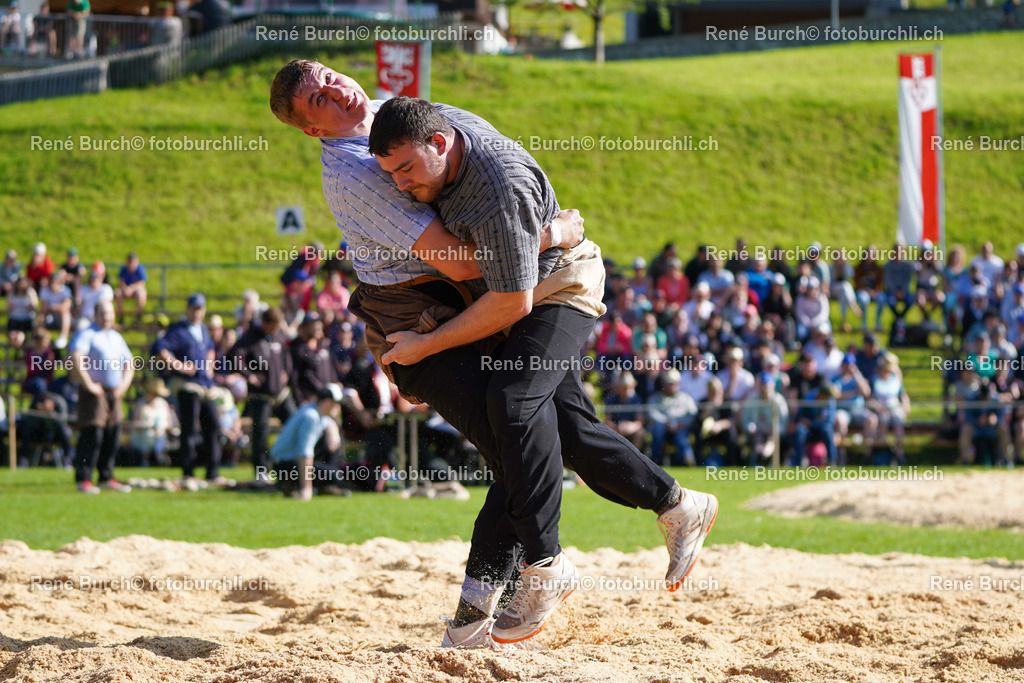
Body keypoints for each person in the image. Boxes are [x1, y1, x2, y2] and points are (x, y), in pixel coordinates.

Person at [271, 63, 716, 648]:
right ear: (312, 129)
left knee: (519, 430)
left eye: (329, 78)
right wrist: (552, 231)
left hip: (509, 293)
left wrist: (549, 237)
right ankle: (649, 517)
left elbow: (484, 270)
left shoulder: (413, 128)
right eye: (317, 100)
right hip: (426, 309)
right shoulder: (362, 164)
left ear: (438, 143)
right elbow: (466, 263)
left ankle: (507, 591)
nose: (335, 91)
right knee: (534, 434)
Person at [152, 293, 224, 487]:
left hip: (204, 384)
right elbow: (159, 347)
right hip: (187, 385)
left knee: (213, 426)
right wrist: (177, 365)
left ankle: (212, 472)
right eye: (194, 309)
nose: (197, 313)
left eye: (200, 309)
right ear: (188, 309)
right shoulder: (179, 329)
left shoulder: (203, 329)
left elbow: (210, 348)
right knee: (189, 429)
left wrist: (209, 365)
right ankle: (188, 472)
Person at [70, 301, 134, 494]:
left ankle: (106, 476)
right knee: (92, 435)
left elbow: (129, 363)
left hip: (113, 393)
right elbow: (76, 357)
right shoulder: (86, 334)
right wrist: (89, 384)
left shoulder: (116, 337)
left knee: (112, 435)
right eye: (104, 313)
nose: (107, 317)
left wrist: (122, 387)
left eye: (110, 313)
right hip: (94, 394)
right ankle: (84, 479)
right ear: (96, 314)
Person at [230, 306, 295, 479]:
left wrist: (286, 372)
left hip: (280, 393)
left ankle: (294, 467)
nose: (276, 329)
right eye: (274, 326)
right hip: (260, 394)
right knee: (261, 434)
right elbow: (234, 355)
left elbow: (286, 355)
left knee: (295, 423)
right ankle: (261, 472)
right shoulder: (251, 337)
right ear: (266, 323)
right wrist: (249, 375)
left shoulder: (278, 336)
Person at [269, 383, 346, 499]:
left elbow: (328, 421)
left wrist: (333, 429)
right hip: (285, 465)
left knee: (334, 447)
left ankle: (296, 485)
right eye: (337, 404)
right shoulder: (311, 417)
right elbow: (305, 453)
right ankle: (294, 485)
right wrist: (306, 489)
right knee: (335, 476)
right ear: (327, 402)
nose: (339, 408)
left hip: (285, 461)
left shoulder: (313, 409)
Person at [647, 369, 697, 466]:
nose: (672, 386)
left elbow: (692, 413)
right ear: (663, 384)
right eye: (669, 383)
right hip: (662, 426)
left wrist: (683, 423)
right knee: (658, 430)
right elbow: (651, 412)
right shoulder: (655, 397)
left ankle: (689, 462)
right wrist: (665, 422)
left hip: (681, 427)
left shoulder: (685, 398)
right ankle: (654, 461)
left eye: (675, 383)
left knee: (681, 438)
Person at [869, 353, 910, 465]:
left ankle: (899, 454)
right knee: (883, 420)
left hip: (894, 407)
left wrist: (906, 406)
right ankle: (884, 452)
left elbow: (903, 396)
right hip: (880, 409)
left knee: (898, 420)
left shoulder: (896, 379)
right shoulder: (875, 379)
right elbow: (870, 398)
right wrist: (879, 407)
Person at [128, 377, 174, 467]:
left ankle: (160, 459)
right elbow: (134, 423)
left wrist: (162, 427)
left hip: (160, 435)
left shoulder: (163, 404)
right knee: (147, 436)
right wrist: (146, 426)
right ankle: (146, 460)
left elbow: (170, 425)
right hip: (143, 435)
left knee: (160, 439)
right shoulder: (141, 403)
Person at [39, 270, 73, 350]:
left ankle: (63, 336)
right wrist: (56, 308)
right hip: (49, 316)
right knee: (41, 316)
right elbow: (44, 308)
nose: (53, 283)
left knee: (65, 313)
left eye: (55, 281)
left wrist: (53, 307)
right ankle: (41, 338)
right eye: (52, 281)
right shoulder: (44, 290)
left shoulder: (65, 290)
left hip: (61, 317)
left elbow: (66, 306)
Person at [115, 252, 148, 322]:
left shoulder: (140, 269)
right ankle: (121, 316)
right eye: (129, 262)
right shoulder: (124, 269)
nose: (131, 264)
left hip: (136, 289)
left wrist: (131, 288)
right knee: (118, 293)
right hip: (126, 289)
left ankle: (138, 315)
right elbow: (121, 281)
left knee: (141, 293)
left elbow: (142, 282)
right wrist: (126, 289)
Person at [6, 276, 37, 348]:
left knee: (20, 336)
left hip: (26, 319)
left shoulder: (30, 292)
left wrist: (29, 306)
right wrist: (12, 307)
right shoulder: (12, 293)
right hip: (14, 319)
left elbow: (35, 307)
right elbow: (7, 308)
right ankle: (16, 350)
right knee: (13, 336)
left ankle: (21, 350)